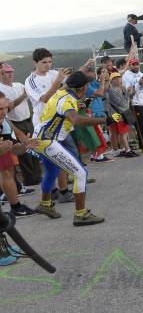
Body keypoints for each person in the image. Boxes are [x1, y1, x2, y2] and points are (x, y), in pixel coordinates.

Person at [32, 71, 108, 225]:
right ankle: (81, 214)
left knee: (52, 171)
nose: (88, 87)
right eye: (87, 85)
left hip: (39, 138)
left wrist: (79, 104)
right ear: (83, 87)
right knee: (80, 174)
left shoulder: (62, 92)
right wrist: (105, 120)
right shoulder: (67, 100)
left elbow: (65, 107)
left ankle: (45, 204)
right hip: (49, 141)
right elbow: (76, 120)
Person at [123, 59, 143, 153]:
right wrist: (138, 84)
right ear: (130, 66)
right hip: (135, 103)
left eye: (137, 64)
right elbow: (129, 91)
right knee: (141, 125)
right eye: (133, 65)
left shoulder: (141, 74)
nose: (136, 66)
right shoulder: (126, 76)